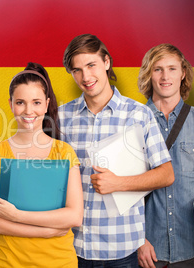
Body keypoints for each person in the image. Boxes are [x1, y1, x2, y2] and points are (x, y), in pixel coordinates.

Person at [58, 34, 175, 267]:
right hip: (71, 247)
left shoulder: (138, 114)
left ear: (107, 62)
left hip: (122, 249)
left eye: (91, 65)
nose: (86, 76)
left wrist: (118, 183)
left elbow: (166, 174)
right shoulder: (61, 117)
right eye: (77, 70)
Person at [0, 62, 84, 267]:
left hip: (59, 262)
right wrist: (46, 231)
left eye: (36, 102)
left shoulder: (64, 152)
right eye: (21, 102)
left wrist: (17, 216)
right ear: (11, 104)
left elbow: (74, 215)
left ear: (46, 105)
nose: (29, 110)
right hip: (9, 262)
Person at [137, 43, 194, 268]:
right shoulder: (133, 121)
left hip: (193, 247)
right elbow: (121, 188)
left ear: (183, 72)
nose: (166, 76)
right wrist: (137, 240)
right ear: (149, 73)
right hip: (146, 249)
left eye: (172, 68)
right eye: (158, 69)